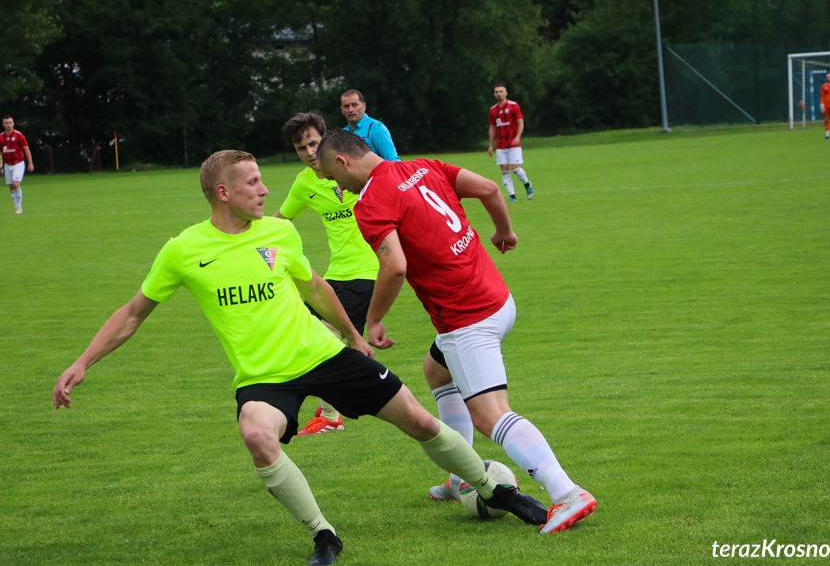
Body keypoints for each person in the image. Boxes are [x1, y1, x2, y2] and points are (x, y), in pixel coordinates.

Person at [53, 149, 550, 566]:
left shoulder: (279, 233)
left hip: (323, 353)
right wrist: (81, 362)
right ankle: (323, 535)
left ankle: (493, 489)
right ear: (223, 192)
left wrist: (355, 338)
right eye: (253, 182)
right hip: (264, 377)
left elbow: (314, 286)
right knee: (255, 433)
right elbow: (133, 313)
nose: (265, 189)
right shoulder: (184, 250)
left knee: (420, 421)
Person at [317, 130, 596, 535]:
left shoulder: (372, 201)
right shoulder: (423, 166)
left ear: (343, 162)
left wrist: (373, 319)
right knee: (436, 370)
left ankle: (567, 492)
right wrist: (503, 230)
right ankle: (457, 477)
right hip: (498, 299)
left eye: (331, 176)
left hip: (467, 317)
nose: (334, 185)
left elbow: (395, 266)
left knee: (490, 416)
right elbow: (487, 188)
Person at [274, 112, 380, 436]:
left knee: (324, 336)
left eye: (313, 144)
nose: (308, 153)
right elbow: (280, 220)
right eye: (300, 148)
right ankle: (335, 408)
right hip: (335, 274)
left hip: (367, 271)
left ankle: (337, 411)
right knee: (310, 331)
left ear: (327, 140)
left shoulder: (354, 166)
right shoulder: (304, 183)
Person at [488, 84, 534, 202]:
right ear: (494, 94)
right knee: (504, 169)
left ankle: (527, 184)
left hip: (513, 143)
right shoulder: (493, 110)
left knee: (515, 168)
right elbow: (492, 127)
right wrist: (490, 145)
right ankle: (512, 196)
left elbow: (520, 122)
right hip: (500, 145)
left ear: (506, 93)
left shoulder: (514, 106)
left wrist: (518, 136)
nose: (499, 93)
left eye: (501, 91)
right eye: (497, 91)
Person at [340, 90, 400, 161]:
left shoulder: (376, 128)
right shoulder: (342, 133)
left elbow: (392, 161)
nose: (350, 109)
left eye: (354, 105)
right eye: (346, 106)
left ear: (364, 106)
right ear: (342, 110)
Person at [1, 115, 34, 214]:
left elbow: (26, 149)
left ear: (13, 123)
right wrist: (1, 166)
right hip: (7, 164)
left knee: (16, 184)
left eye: (10, 122)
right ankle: (17, 208)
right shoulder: (1, 137)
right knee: (11, 186)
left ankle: (19, 208)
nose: (8, 125)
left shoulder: (19, 135)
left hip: (18, 163)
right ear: (3, 124)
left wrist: (30, 163)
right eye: (6, 123)